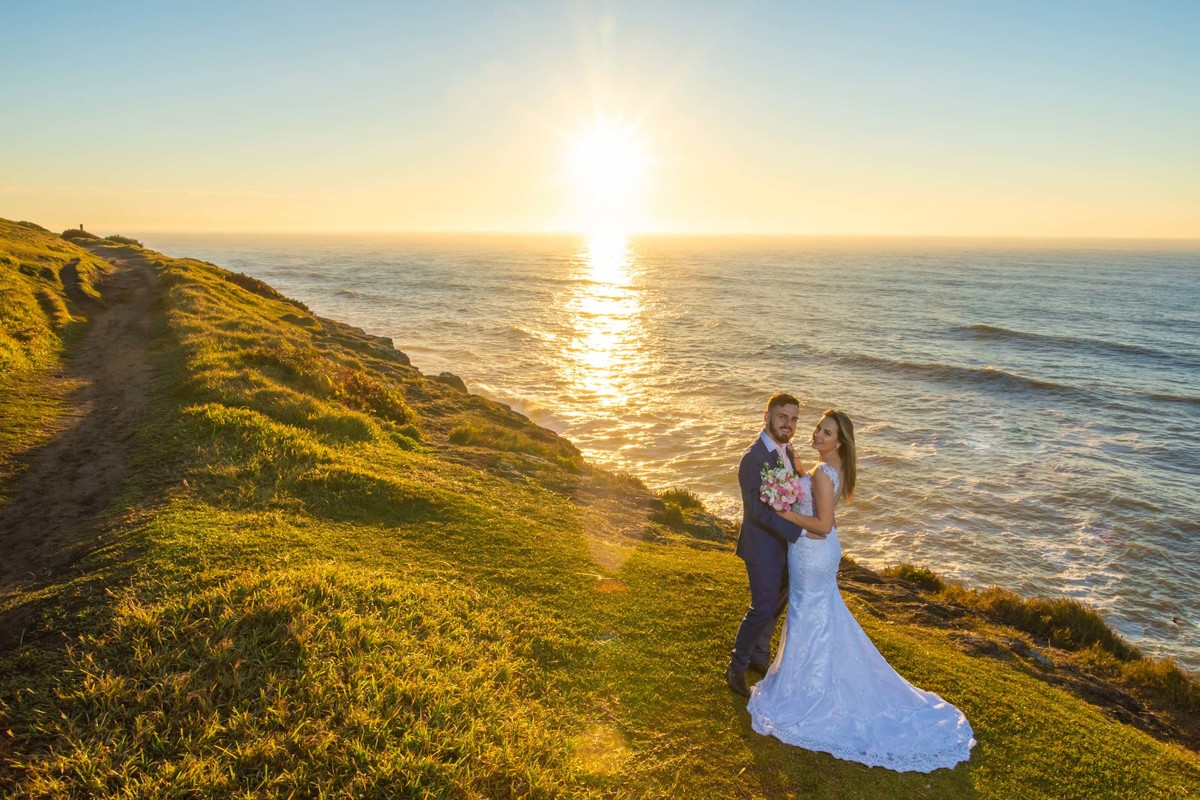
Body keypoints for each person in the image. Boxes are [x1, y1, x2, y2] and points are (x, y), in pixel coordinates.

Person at [746, 409, 975, 772]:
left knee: (809, 615)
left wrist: (783, 513)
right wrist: (800, 473)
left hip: (812, 551)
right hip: (818, 552)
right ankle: (808, 678)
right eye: (818, 428)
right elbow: (821, 506)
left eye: (827, 433)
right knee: (819, 614)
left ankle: (808, 690)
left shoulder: (824, 474)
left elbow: (823, 524)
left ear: (839, 442)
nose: (817, 434)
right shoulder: (830, 469)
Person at [727, 393, 808, 698]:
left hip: (786, 549)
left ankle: (760, 656)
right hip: (762, 547)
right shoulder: (753, 458)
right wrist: (798, 532)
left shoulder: (786, 451)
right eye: (782, 417)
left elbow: (792, 496)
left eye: (794, 419)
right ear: (767, 417)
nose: (789, 424)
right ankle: (736, 666)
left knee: (776, 605)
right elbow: (757, 512)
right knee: (762, 607)